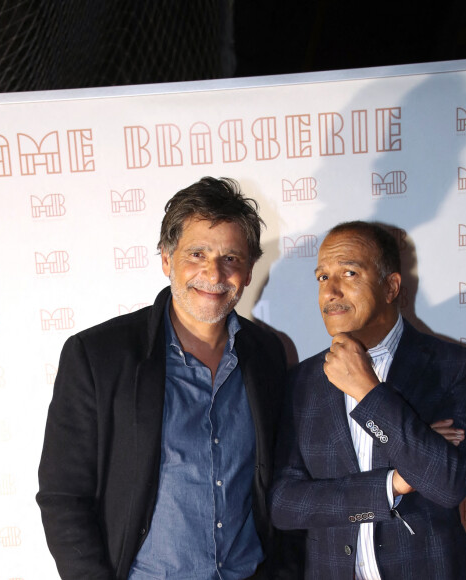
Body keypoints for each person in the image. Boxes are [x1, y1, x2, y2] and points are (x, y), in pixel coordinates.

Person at [37, 177, 301, 579]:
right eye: (197, 253)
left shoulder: (268, 353)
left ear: (248, 271)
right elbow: (63, 497)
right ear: (166, 259)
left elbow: (283, 479)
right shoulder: (98, 357)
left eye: (231, 258)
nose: (213, 272)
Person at [269, 220, 466, 579]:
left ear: (390, 286)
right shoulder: (300, 382)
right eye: (322, 277)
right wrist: (394, 484)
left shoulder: (454, 367)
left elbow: (448, 483)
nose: (331, 291)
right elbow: (284, 504)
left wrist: (368, 392)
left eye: (349, 273)